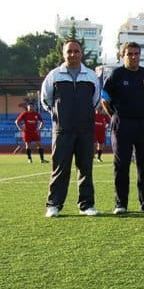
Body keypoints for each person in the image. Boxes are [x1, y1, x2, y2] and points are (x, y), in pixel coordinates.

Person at [40, 39, 101, 217]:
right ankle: (54, 205)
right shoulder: (54, 75)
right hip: (62, 131)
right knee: (60, 168)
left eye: (76, 51)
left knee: (85, 168)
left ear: (81, 53)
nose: (72, 54)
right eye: (69, 51)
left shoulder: (91, 76)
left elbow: (95, 101)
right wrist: (60, 115)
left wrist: (83, 116)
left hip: (85, 130)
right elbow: (46, 100)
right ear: (63, 53)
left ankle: (86, 205)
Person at [101, 41, 144, 215]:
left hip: (142, 123)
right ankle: (121, 204)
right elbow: (105, 99)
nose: (133, 57)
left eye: (136, 54)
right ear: (122, 56)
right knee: (122, 164)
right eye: (129, 54)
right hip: (122, 123)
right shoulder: (116, 74)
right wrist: (114, 117)